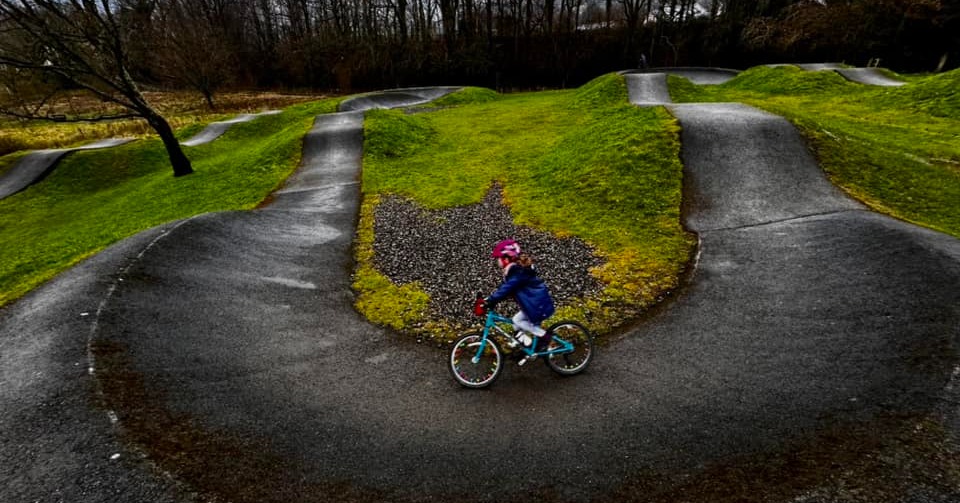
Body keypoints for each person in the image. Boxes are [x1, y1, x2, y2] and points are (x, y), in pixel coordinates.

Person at [485, 239, 556, 351]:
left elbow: (507, 288)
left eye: (498, 258)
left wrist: (491, 300)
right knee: (516, 322)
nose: (497, 261)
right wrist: (492, 299)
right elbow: (508, 290)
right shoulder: (514, 271)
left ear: (506, 259)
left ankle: (545, 337)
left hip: (537, 305)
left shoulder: (517, 272)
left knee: (517, 321)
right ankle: (526, 345)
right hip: (533, 304)